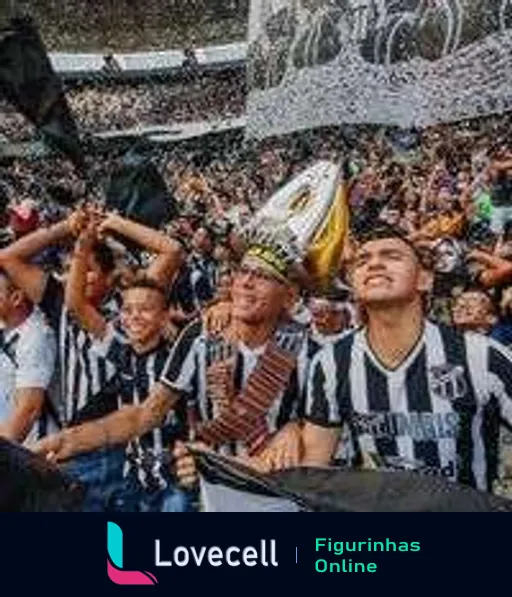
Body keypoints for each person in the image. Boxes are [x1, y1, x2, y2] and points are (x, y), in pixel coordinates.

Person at [34, 226, 318, 488]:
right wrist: (71, 439)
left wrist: (296, 428)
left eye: (264, 276)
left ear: (289, 294)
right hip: (216, 492)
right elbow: (146, 414)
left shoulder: (309, 349)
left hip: (281, 496)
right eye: (243, 271)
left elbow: (326, 438)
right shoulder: (201, 336)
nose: (246, 282)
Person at [303, 224, 512, 493]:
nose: (375, 263)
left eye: (391, 256)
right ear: (354, 283)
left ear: (424, 279)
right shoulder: (330, 362)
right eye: (362, 260)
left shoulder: (481, 356)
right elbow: (313, 470)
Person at [0, 207, 183, 510]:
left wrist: (115, 223)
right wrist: (66, 227)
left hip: (130, 448)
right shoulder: (59, 302)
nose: (78, 273)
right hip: (78, 446)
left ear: (111, 277)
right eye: (73, 266)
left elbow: (171, 251)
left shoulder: (131, 310)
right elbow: (7, 257)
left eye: (89, 269)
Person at [0, 269, 56, 443]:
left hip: (28, 453)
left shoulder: (36, 336)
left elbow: (29, 410)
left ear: (16, 298)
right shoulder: (7, 330)